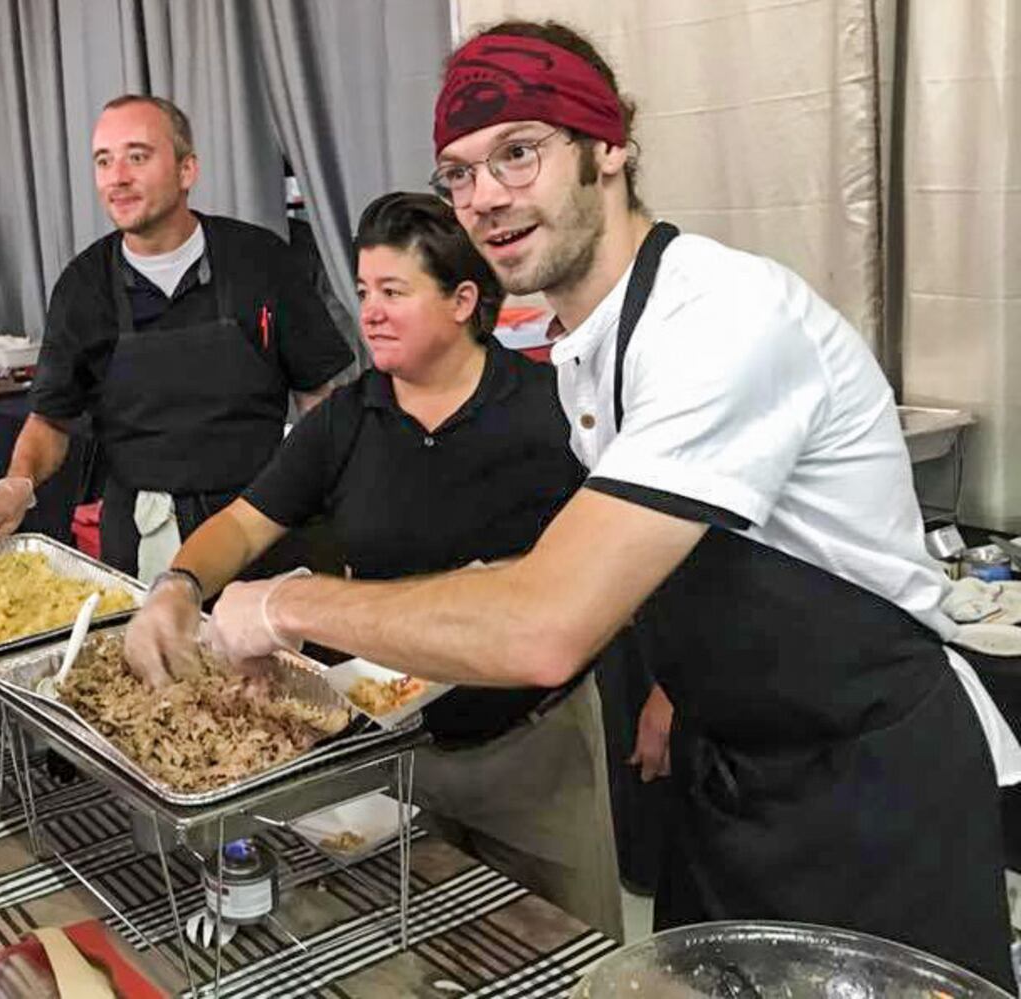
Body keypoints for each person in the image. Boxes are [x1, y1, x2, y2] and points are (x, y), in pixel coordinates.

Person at [204, 20, 1021, 988]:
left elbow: (547, 630)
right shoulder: (590, 346)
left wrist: (278, 603)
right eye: (458, 172)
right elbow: (678, 555)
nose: (485, 198)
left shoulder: (716, 317)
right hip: (731, 770)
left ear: (610, 149)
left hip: (868, 784)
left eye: (518, 152)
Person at [124, 192, 622, 937]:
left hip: (534, 747)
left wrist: (663, 697)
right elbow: (241, 523)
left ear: (462, 300)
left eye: (394, 292)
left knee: (571, 947)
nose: (371, 312)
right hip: (397, 749)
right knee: (427, 951)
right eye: (363, 292)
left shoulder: (546, 407)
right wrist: (178, 585)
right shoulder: (347, 420)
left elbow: (622, 558)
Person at [0, 95, 353, 580]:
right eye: (103, 161)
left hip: (266, 522)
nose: (117, 176)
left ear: (187, 170)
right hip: (143, 538)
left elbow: (319, 397)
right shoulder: (83, 288)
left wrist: (342, 499)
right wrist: (17, 481)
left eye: (137, 156)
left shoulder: (261, 261)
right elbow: (51, 421)